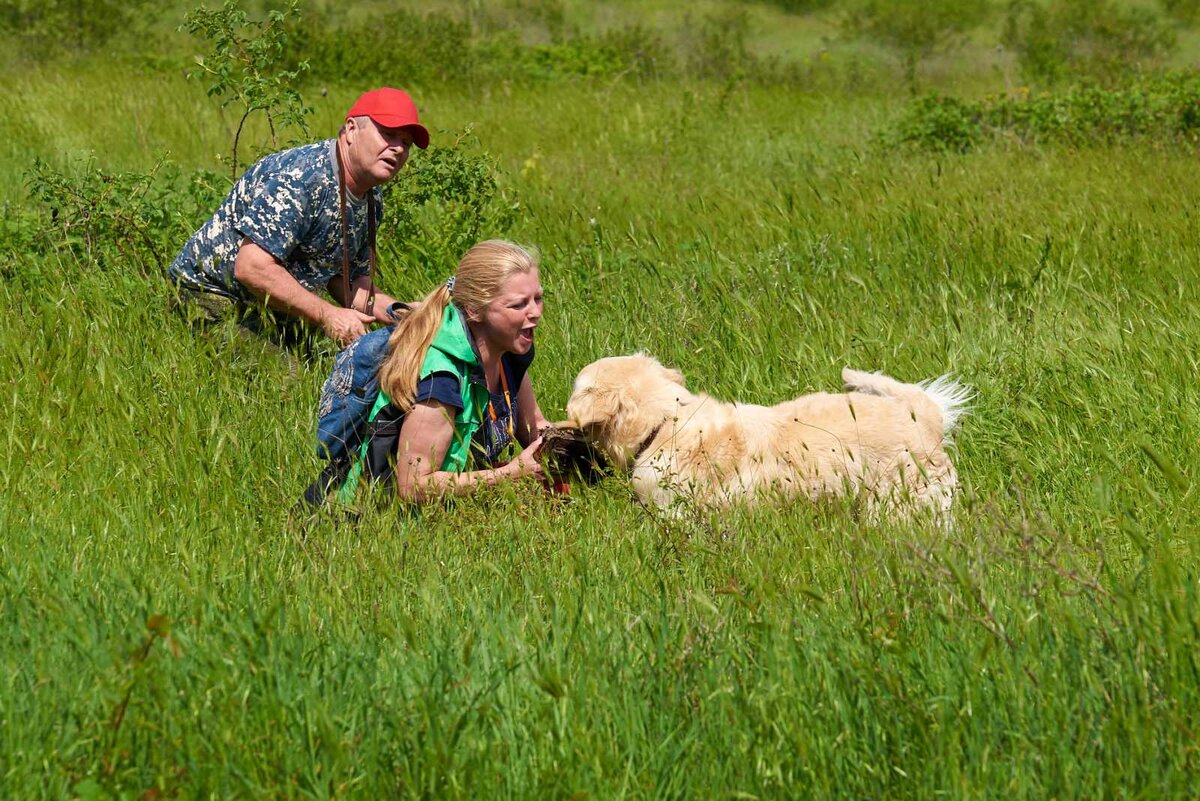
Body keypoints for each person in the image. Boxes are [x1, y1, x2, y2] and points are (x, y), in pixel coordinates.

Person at [168, 87, 429, 346]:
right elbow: (251, 267)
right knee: (289, 383)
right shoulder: (303, 179)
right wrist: (329, 315)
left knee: (350, 372)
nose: (397, 149)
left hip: (272, 308)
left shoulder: (372, 199)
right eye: (388, 134)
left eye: (405, 143)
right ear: (351, 130)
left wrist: (403, 315)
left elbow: (347, 282)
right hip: (210, 298)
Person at [329, 239, 549, 504]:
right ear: (474, 311)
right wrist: (509, 474)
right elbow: (413, 485)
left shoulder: (510, 353)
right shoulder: (441, 377)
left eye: (538, 298)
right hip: (372, 521)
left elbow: (534, 428)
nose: (535, 312)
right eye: (518, 305)